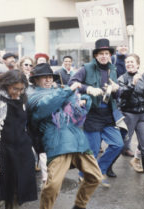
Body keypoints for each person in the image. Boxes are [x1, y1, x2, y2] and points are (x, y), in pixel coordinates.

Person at [27, 63, 102, 209]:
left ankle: (80, 205)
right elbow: (46, 106)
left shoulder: (60, 91)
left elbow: (77, 113)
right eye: (44, 77)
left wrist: (84, 101)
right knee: (53, 185)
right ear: (35, 80)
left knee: (95, 177)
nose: (48, 80)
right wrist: (69, 90)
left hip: (78, 141)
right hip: (57, 144)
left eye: (50, 77)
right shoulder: (33, 96)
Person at [69, 38, 124, 187]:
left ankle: (99, 170)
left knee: (118, 144)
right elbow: (71, 83)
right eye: (101, 53)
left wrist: (117, 89)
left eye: (106, 53)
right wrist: (87, 89)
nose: (104, 56)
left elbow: (117, 94)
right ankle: (84, 174)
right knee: (92, 149)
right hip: (92, 114)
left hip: (108, 114)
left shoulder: (112, 69)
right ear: (95, 55)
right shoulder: (86, 68)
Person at [0, 70, 37, 209]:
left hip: (21, 150)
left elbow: (28, 124)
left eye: (21, 89)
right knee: (0, 190)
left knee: (18, 191)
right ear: (6, 85)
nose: (17, 93)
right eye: (14, 89)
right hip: (2, 150)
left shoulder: (23, 99)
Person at [118, 53, 144, 182]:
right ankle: (108, 168)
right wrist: (132, 84)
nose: (129, 64)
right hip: (129, 114)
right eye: (127, 62)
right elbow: (121, 97)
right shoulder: (122, 79)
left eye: (132, 62)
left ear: (138, 64)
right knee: (121, 143)